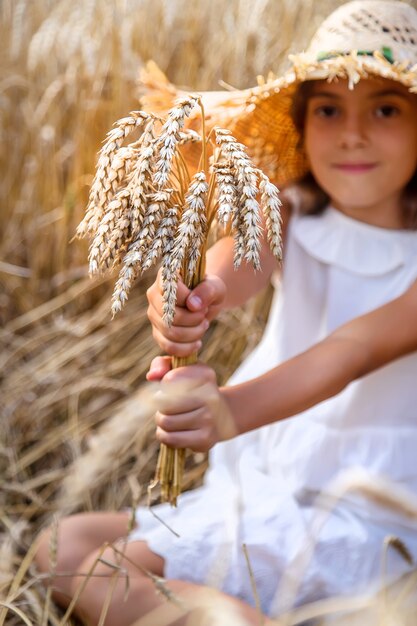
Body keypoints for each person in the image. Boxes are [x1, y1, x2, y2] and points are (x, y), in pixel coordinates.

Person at [35, 1, 417, 624]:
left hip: (363, 507)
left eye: (386, 108)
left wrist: (230, 410)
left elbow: (351, 352)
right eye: (328, 109)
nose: (352, 132)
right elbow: (238, 263)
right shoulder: (293, 209)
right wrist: (193, 298)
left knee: (94, 568)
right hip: (269, 476)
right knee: (62, 544)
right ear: (301, 123)